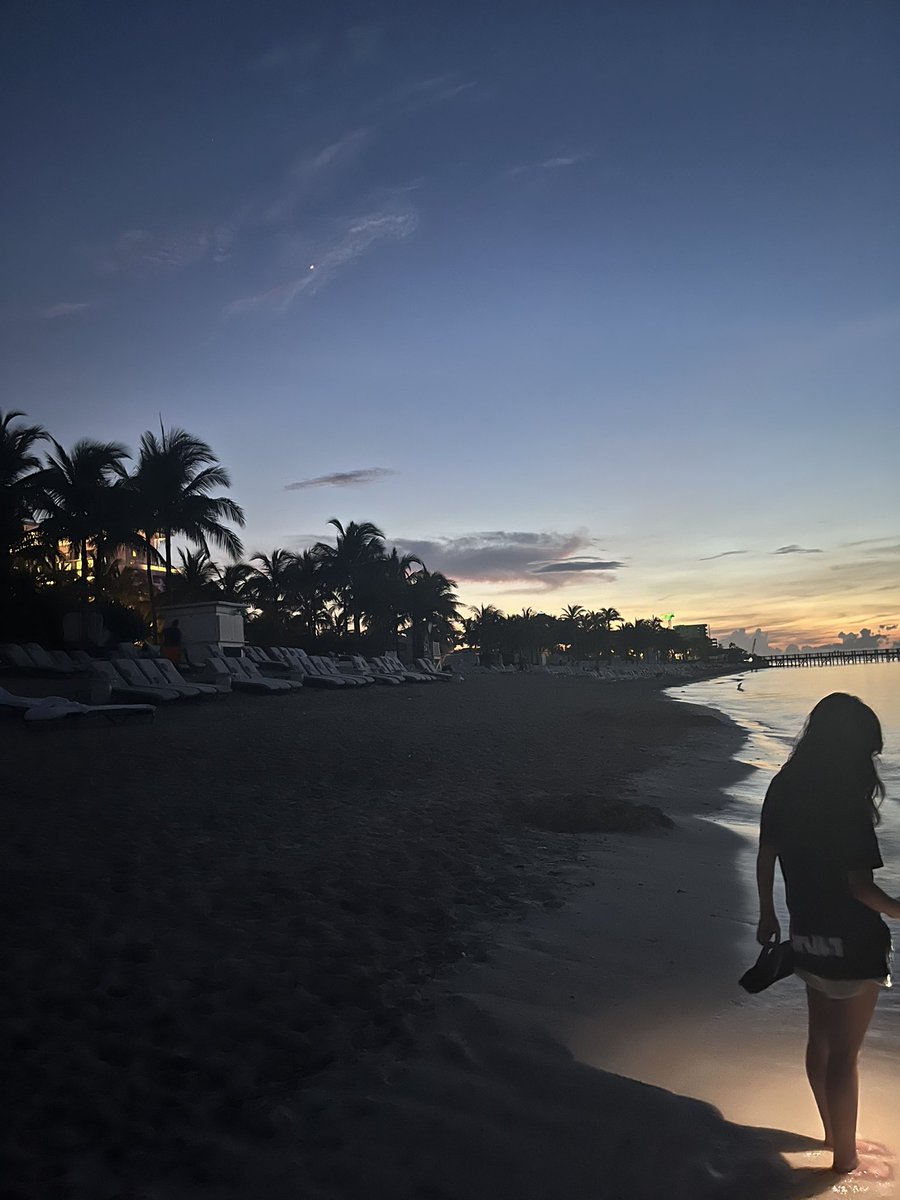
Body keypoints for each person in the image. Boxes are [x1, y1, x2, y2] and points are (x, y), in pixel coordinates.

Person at [756, 692, 900, 1177]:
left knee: (820, 1042)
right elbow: (859, 887)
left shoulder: (785, 784)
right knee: (846, 1054)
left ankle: (831, 1133)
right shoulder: (845, 801)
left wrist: (766, 913)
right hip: (853, 939)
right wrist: (898, 911)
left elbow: (767, 852)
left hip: (808, 931)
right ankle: (845, 1159)